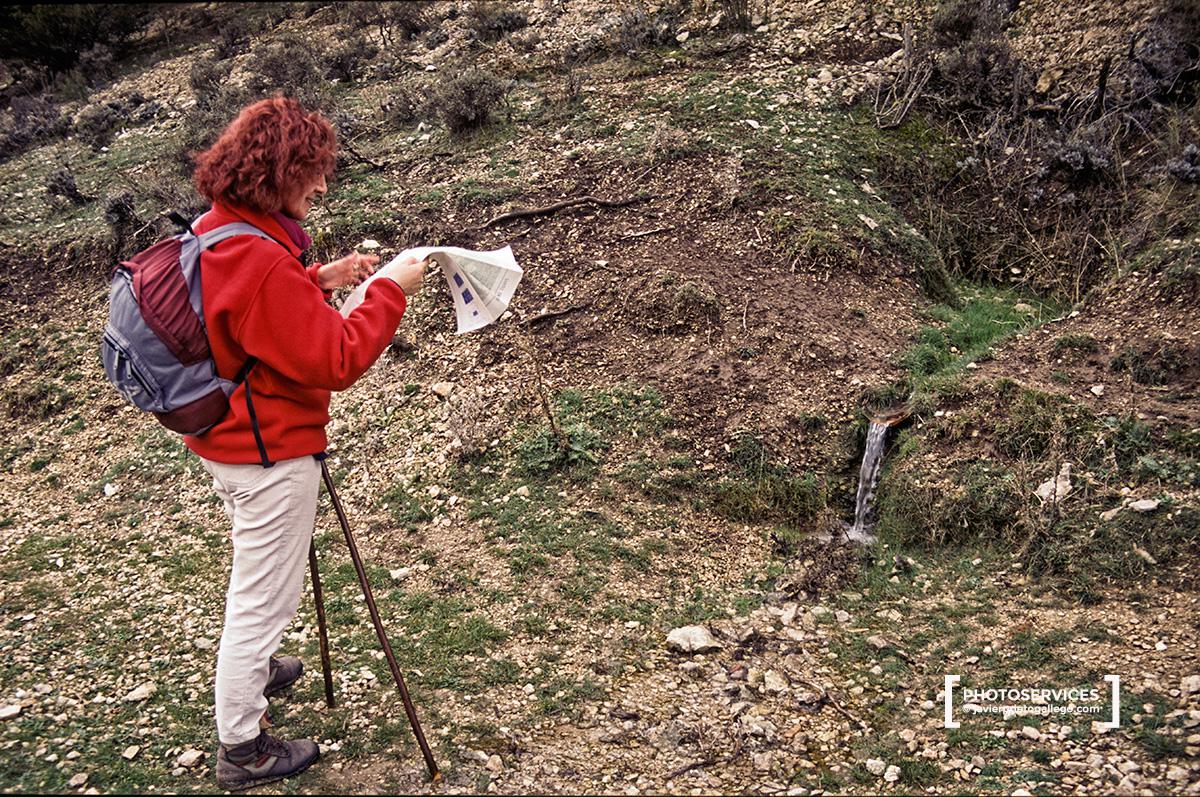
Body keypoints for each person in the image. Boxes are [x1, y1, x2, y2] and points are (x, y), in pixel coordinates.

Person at [184, 96, 425, 791]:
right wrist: (388, 289)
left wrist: (318, 278)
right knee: (262, 602)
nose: (322, 185)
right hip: (269, 453)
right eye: (312, 172)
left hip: (224, 440)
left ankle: (254, 673)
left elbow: (244, 313)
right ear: (277, 172)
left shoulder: (221, 231)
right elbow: (336, 358)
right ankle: (243, 747)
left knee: (254, 582)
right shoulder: (259, 261)